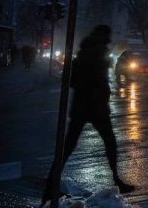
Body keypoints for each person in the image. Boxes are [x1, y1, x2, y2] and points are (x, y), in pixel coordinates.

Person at [42, 25, 134, 205]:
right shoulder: (99, 52)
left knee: (67, 148)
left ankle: (50, 185)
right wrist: (101, 92)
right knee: (109, 143)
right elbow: (100, 81)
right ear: (105, 37)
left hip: (81, 107)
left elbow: (72, 80)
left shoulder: (83, 53)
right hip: (96, 107)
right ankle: (116, 179)